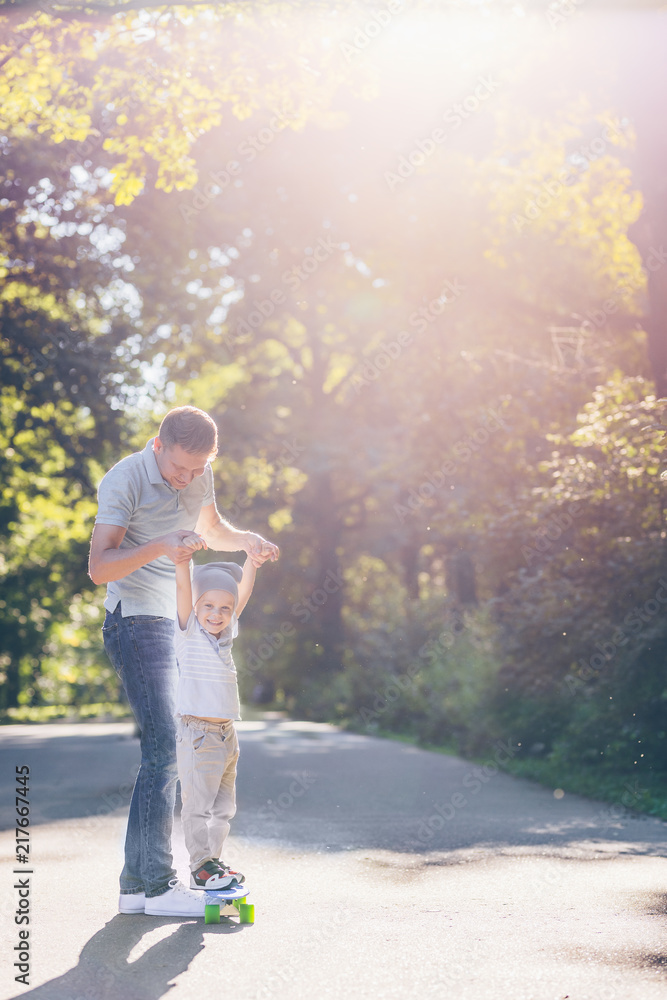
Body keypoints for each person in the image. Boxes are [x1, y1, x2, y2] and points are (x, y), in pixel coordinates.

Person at [88, 406, 278, 917]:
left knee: (165, 752)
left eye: (199, 469)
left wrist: (247, 543)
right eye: (180, 469)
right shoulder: (124, 479)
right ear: (158, 445)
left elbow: (211, 528)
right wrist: (159, 546)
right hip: (136, 619)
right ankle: (158, 886)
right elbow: (98, 567)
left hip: (180, 623)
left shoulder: (199, 472)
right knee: (169, 749)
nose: (188, 479)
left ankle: (135, 887)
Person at [173, 555, 258, 890]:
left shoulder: (226, 636)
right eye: (208, 605)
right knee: (197, 807)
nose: (217, 614)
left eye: (225, 608)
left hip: (227, 735)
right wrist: (182, 562)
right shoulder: (188, 633)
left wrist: (252, 560)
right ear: (195, 606)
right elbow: (183, 587)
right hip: (198, 734)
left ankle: (213, 867)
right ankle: (199, 866)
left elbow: (244, 593)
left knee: (224, 809)